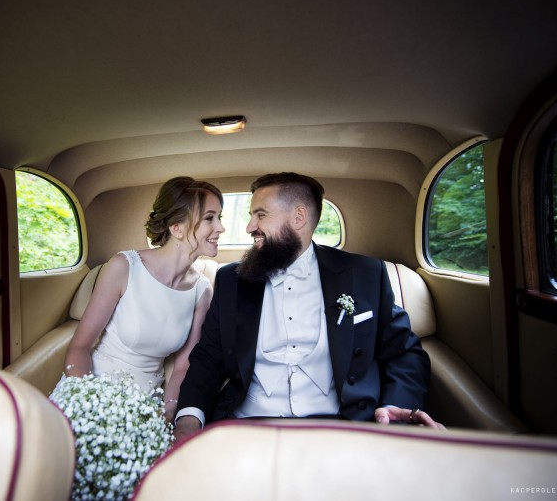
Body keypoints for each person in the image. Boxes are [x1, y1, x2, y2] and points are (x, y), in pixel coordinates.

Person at [174, 172, 444, 439]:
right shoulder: (232, 280)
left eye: (260, 215)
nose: (250, 227)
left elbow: (404, 352)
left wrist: (396, 406)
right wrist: (189, 416)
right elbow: (208, 358)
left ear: (298, 218)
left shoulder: (364, 274)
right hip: (248, 423)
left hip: (340, 427)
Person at [63, 176, 224, 422]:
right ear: (177, 228)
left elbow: (182, 368)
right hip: (90, 390)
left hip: (146, 406)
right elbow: (79, 347)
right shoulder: (124, 266)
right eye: (209, 218)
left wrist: (168, 413)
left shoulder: (202, 291)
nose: (221, 227)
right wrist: (87, 406)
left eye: (220, 217)